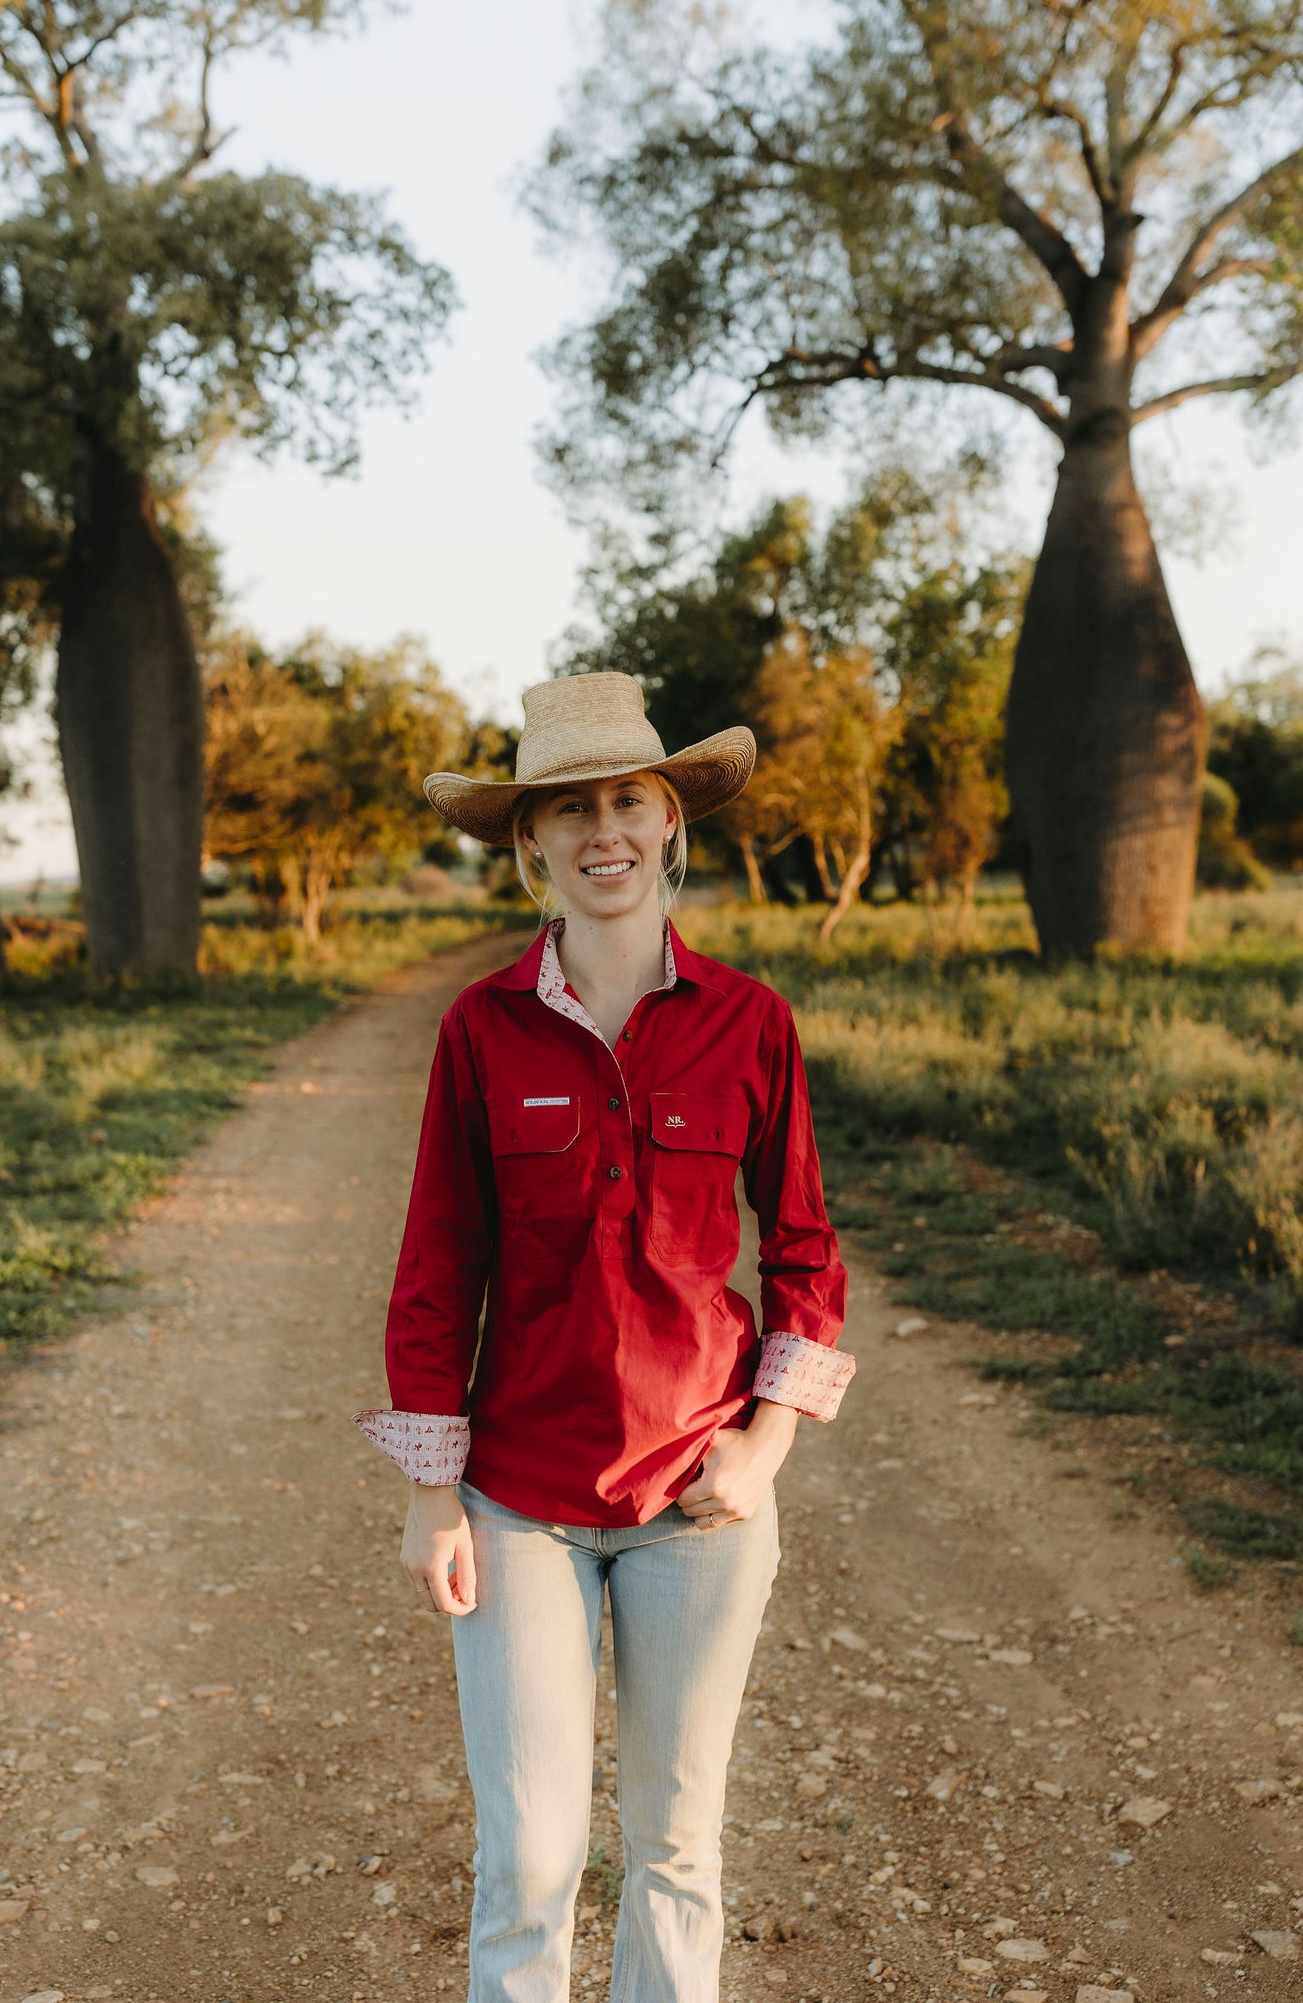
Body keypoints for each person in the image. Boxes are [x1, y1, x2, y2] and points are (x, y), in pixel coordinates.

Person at [355, 669, 855, 2003]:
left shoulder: (751, 1023)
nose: (602, 834)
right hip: (518, 1499)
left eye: (626, 800)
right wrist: (430, 1494)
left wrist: (762, 1449)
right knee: (527, 1856)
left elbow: (804, 1253)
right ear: (527, 843)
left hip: (700, 1497)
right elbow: (435, 1264)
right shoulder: (481, 1028)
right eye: (566, 810)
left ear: (670, 819)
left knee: (676, 1846)